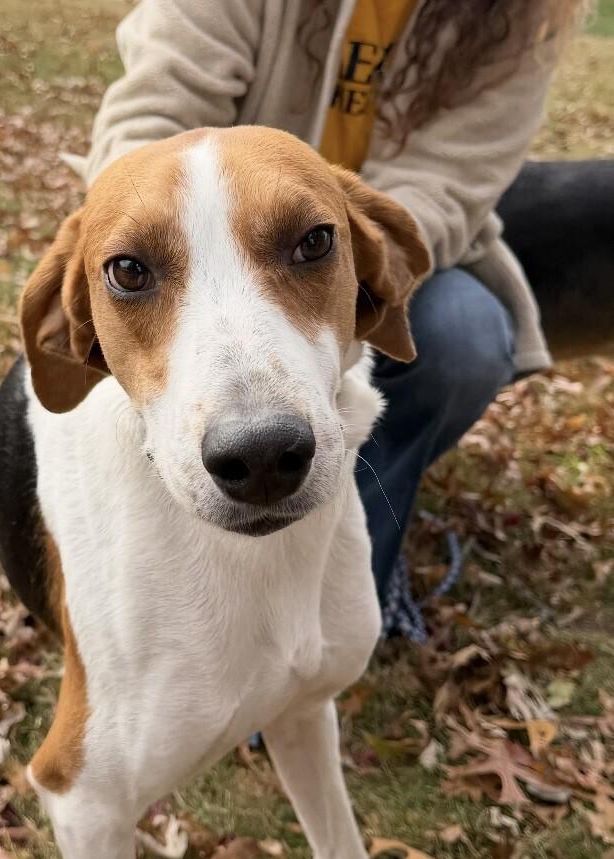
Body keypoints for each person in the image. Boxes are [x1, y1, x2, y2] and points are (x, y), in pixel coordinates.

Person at [72, 0, 586, 620]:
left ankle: (360, 557)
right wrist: (168, 238)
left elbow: (447, 185)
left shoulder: (520, 22)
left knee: (466, 338)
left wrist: (335, 254)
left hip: (371, 252)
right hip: (196, 228)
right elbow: (154, 108)